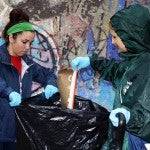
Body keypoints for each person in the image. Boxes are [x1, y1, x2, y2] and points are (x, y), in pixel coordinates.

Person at [71, 4, 150, 149]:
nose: (113, 42)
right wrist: (91, 61)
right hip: (122, 138)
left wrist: (130, 117)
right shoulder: (133, 62)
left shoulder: (146, 67)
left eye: (115, 37)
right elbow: (115, 70)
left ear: (130, 36)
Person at [0, 8, 58, 150]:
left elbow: (49, 74)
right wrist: (8, 92)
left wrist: (51, 84)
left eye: (30, 43)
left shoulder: (28, 63)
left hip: (18, 128)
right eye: (24, 42)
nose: (27, 47)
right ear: (11, 38)